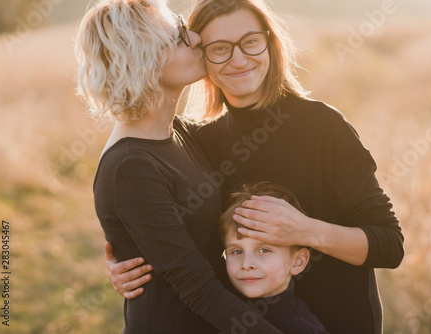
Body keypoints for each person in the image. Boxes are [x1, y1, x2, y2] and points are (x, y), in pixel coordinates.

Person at [105, 0, 405, 333]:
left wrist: (305, 231)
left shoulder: (325, 128)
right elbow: (182, 236)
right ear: (200, 54)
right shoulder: (199, 141)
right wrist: (134, 256)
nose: (238, 59)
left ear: (270, 43)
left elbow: (389, 245)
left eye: (250, 42)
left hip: (340, 322)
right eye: (220, 48)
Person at [76, 0, 285, 333]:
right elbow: (195, 285)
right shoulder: (130, 166)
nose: (196, 40)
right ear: (142, 60)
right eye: (178, 39)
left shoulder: (180, 132)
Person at [219, 181, 329, 334]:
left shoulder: (303, 329)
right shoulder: (216, 310)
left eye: (264, 250)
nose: (246, 264)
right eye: (236, 252)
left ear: (298, 261)